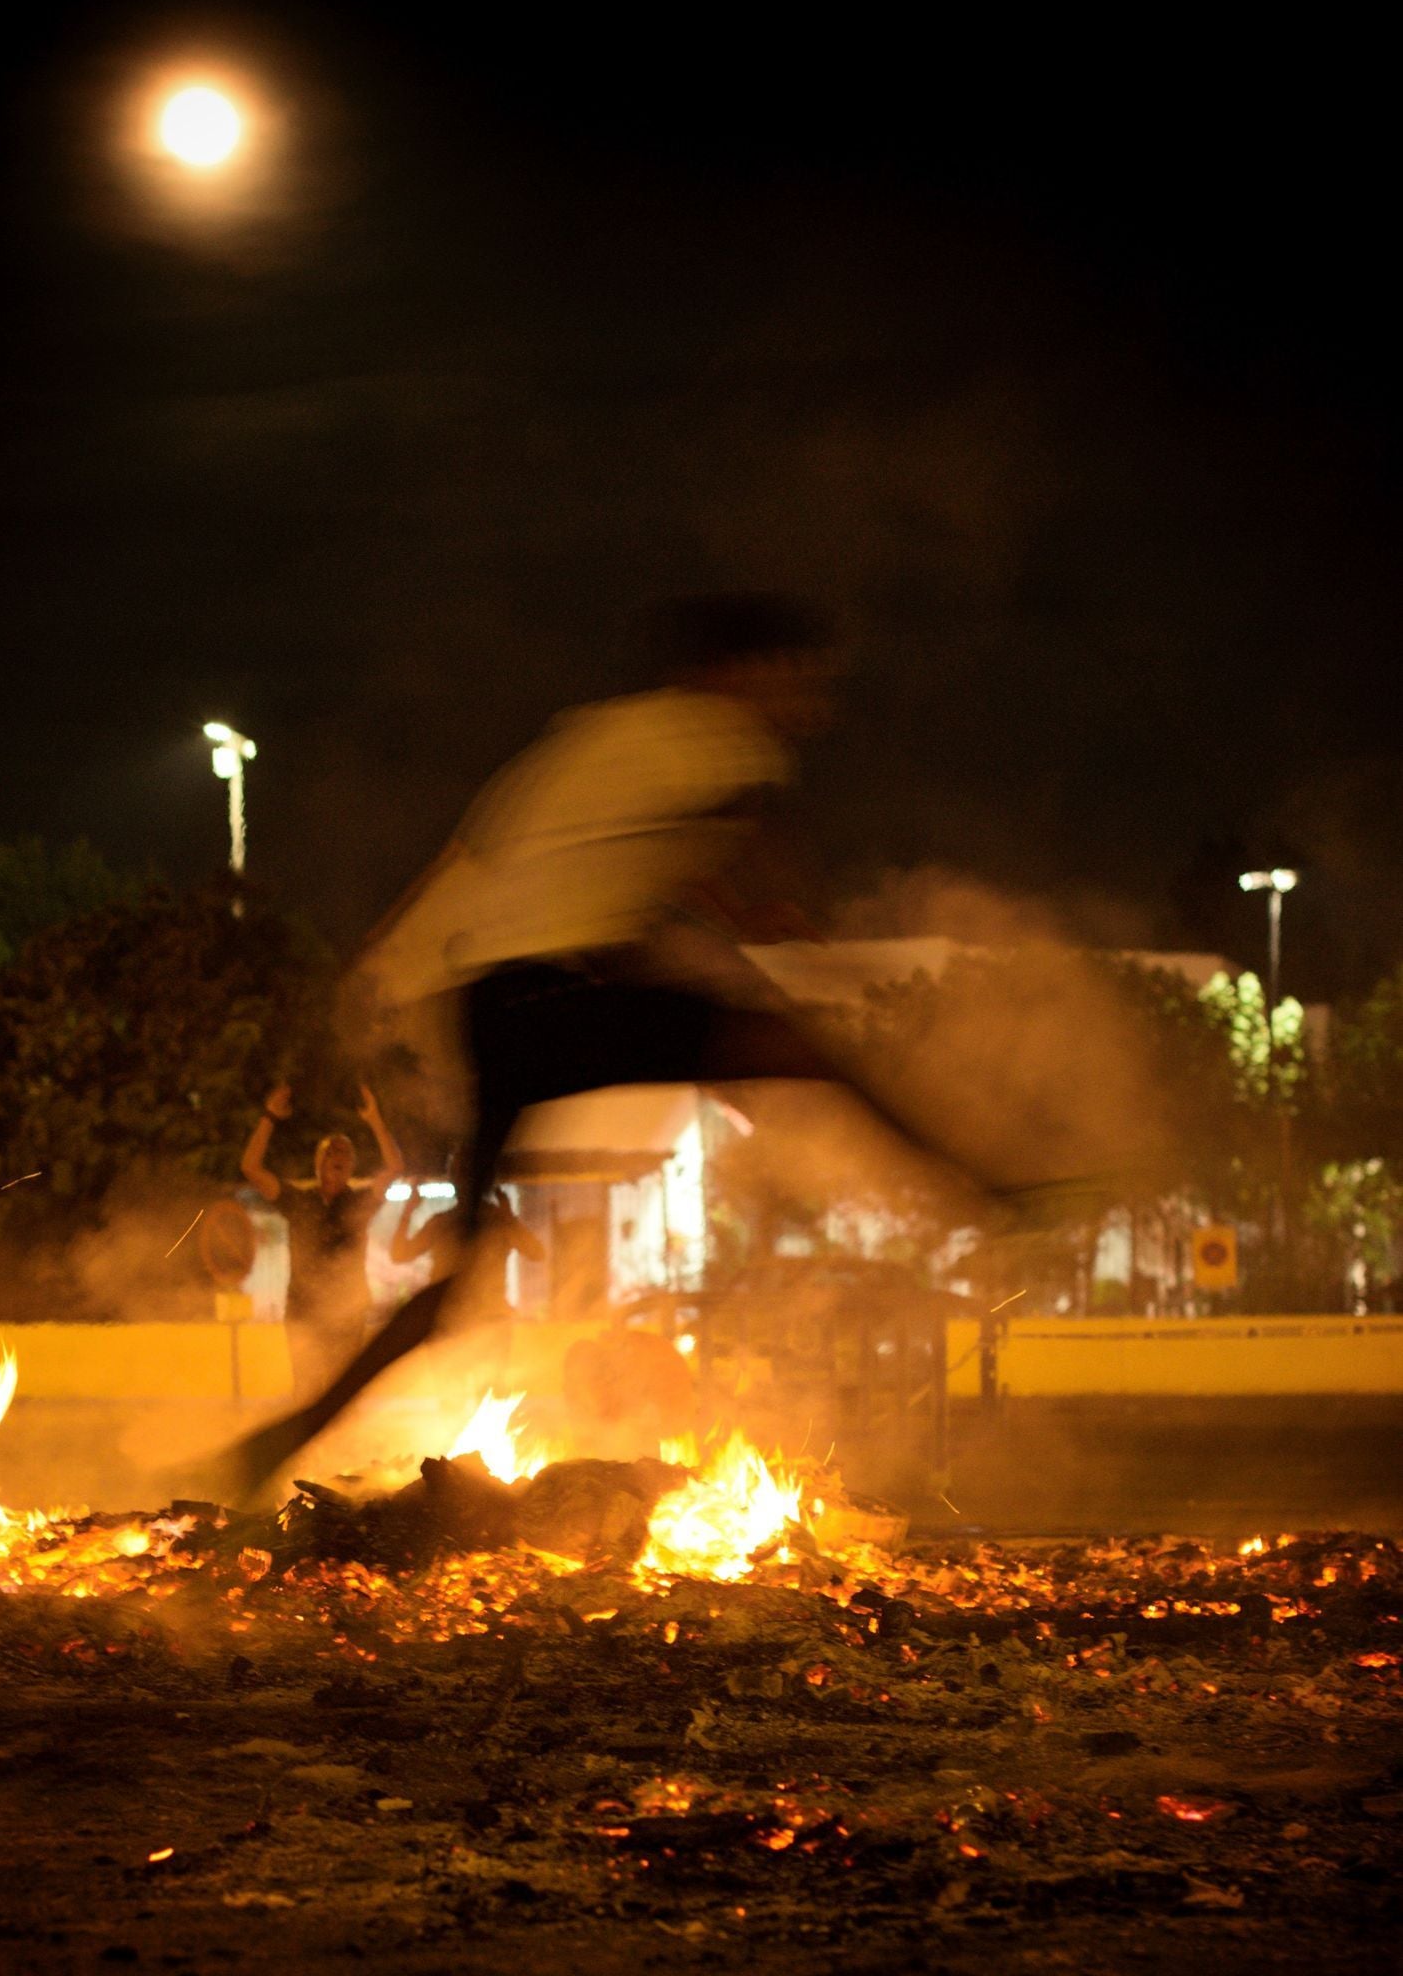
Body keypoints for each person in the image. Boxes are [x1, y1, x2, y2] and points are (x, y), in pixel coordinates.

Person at [216, 593, 997, 1498]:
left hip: (491, 1005)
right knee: (798, 1045)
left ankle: (281, 1440)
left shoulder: (587, 744)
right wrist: (766, 914)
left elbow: (513, 866)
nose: (809, 706)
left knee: (462, 1275)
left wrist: (383, 976)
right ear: (739, 672)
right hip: (559, 994)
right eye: (799, 680)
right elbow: (748, 854)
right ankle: (976, 1181)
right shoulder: (720, 737)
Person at [240, 1082, 405, 1395]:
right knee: (305, 1393)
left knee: (342, 1396)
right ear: (318, 1164)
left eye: (346, 1153)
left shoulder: (359, 1202)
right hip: (304, 1314)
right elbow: (250, 1167)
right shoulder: (297, 1201)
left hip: (346, 1315)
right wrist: (269, 1117)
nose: (339, 1156)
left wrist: (375, 1120)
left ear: (351, 1168)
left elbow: (395, 1167)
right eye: (332, 1151)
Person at [390, 1178, 546, 1392]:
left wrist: (510, 1219)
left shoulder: (497, 1219)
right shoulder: (443, 1222)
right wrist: (407, 1212)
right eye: (461, 1174)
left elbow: (537, 1253)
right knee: (451, 1396)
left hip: (488, 1321)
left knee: (491, 1394)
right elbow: (400, 1254)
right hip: (449, 1322)